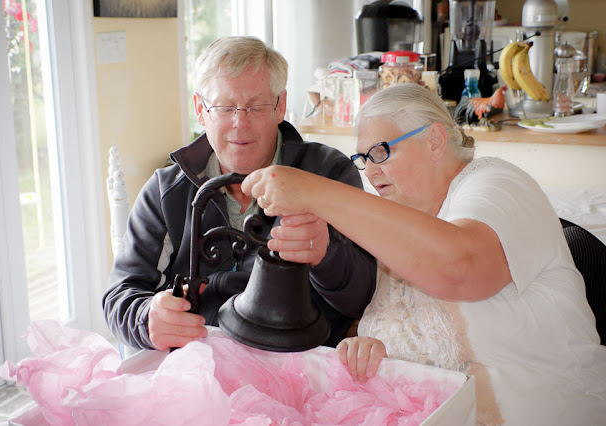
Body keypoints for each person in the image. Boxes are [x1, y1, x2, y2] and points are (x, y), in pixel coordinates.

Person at [241, 84, 606, 425]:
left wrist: (317, 192)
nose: (371, 170)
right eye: (363, 158)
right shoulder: (400, 223)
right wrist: (369, 350)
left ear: (434, 141)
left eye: (381, 151)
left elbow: (461, 268)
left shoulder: (498, 183)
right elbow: (406, 330)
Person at [102, 36, 376, 352]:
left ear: (280, 106)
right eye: (224, 107)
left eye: (256, 106)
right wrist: (147, 318)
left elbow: (364, 299)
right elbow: (120, 295)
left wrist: (327, 254)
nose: (240, 123)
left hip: (303, 362)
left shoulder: (328, 174)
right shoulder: (167, 191)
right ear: (201, 110)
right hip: (199, 364)